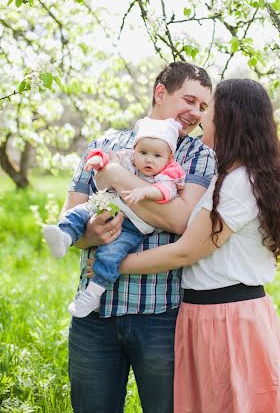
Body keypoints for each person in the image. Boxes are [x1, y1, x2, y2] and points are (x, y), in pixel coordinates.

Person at [94, 78, 280, 413]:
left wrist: (114, 264)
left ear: (230, 118)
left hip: (228, 320)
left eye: (210, 109)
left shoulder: (239, 183)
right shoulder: (229, 174)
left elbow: (187, 250)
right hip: (206, 315)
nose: (202, 118)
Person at [63, 62, 216, 413]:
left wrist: (115, 175)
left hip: (161, 315)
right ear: (160, 92)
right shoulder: (104, 144)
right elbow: (69, 218)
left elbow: (180, 220)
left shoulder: (198, 157)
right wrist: (89, 234)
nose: (195, 113)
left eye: (202, 107)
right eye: (189, 100)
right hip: (94, 314)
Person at [44, 117, 185, 318]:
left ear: (168, 157)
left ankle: (93, 293)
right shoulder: (128, 158)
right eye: (143, 152)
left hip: (133, 225)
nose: (149, 159)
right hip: (108, 204)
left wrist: (145, 192)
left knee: (111, 254)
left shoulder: (169, 172)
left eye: (156, 155)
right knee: (79, 212)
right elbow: (109, 160)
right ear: (134, 150)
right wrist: (97, 160)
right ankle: (64, 237)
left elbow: (166, 191)